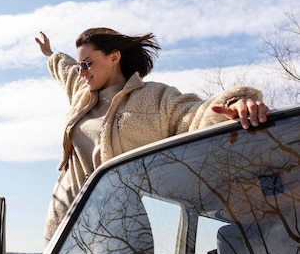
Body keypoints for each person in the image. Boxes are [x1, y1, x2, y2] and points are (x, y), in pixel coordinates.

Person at [35, 27, 270, 241]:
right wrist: (50, 53)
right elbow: (64, 69)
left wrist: (236, 102)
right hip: (65, 225)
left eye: (87, 64)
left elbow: (194, 114)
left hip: (123, 230)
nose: (81, 73)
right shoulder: (81, 93)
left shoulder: (154, 98)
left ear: (114, 57)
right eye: (79, 67)